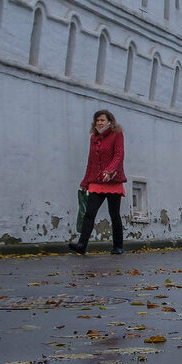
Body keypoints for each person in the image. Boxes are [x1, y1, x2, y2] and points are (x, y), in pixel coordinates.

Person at [68, 109, 126, 255]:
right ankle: (82, 245)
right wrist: (85, 181)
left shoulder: (117, 134)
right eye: (97, 120)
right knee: (89, 213)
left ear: (109, 122)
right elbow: (91, 161)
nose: (99, 123)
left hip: (113, 181)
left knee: (115, 215)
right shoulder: (94, 138)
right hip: (96, 181)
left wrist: (109, 171)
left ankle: (118, 246)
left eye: (102, 120)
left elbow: (119, 155)